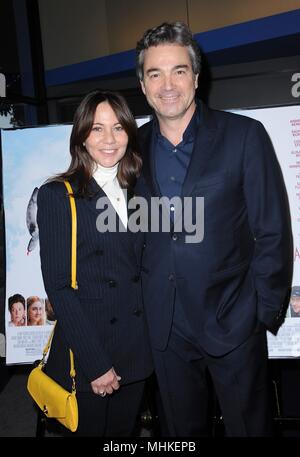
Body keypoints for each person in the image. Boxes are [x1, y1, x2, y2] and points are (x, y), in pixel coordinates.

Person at [135, 22, 293, 437]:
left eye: (179, 71)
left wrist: (260, 311)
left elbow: (273, 230)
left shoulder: (244, 136)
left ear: (197, 77)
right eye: (155, 73)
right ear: (142, 83)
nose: (168, 84)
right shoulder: (130, 148)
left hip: (233, 321)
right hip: (164, 329)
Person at [37, 90, 152, 437]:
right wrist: (96, 364)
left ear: (129, 134)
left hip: (135, 349)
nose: (109, 139)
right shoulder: (59, 194)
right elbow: (58, 286)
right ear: (82, 137)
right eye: (97, 129)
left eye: (117, 128)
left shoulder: (142, 190)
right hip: (90, 351)